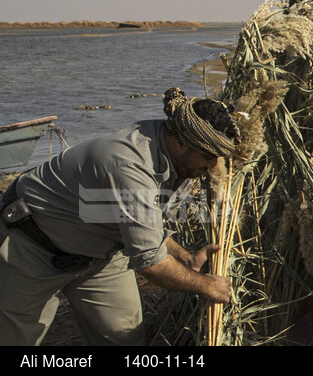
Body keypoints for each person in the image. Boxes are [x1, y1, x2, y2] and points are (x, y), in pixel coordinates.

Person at [0, 87, 237, 346]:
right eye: (208, 156)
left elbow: (139, 223)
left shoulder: (176, 159)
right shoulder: (130, 165)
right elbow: (151, 264)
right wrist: (205, 285)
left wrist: (184, 257)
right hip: (34, 249)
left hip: (100, 254)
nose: (213, 166)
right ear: (181, 142)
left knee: (124, 339)